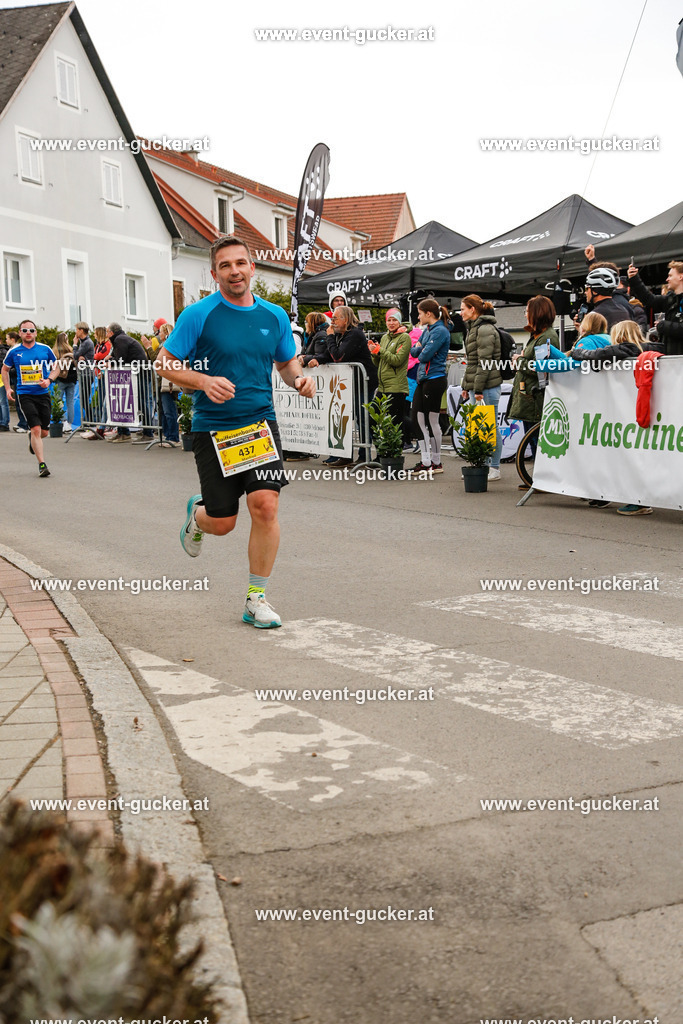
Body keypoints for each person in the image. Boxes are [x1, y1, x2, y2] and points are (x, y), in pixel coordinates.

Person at [155, 234, 316, 629]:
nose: (234, 271)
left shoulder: (274, 316)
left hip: (260, 425)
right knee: (223, 523)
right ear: (214, 273)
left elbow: (285, 363)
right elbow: (163, 364)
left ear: (252, 268)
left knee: (265, 506)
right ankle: (198, 517)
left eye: (240, 263)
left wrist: (300, 380)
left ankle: (255, 598)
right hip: (214, 429)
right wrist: (202, 381)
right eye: (225, 266)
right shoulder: (198, 315)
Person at [571, 321, 664, 516]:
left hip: (632, 412)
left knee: (631, 454)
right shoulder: (657, 348)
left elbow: (597, 356)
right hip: (657, 409)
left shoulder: (625, 348)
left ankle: (639, 501)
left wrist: (575, 353)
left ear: (619, 335)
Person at [1, 320, 60, 477]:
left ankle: (32, 438)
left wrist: (49, 380)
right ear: (20, 333)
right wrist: (8, 388)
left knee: (44, 432)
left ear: (35, 333)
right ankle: (42, 465)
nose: (28, 332)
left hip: (42, 394)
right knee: (35, 428)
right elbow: (4, 369)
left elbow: (56, 367)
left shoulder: (45, 349)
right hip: (24, 394)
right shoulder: (14, 352)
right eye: (25, 330)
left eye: (31, 330)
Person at [508, 296, 559, 475]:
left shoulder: (547, 337)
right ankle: (538, 478)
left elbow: (541, 369)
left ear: (537, 313)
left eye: (527, 311)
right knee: (532, 439)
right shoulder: (538, 336)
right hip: (529, 395)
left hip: (536, 397)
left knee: (537, 440)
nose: (525, 315)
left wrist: (519, 360)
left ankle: (542, 478)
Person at [326, 305, 378, 467]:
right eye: (332, 318)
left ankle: (365, 455)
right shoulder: (341, 334)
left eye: (335, 318)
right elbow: (329, 354)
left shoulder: (354, 334)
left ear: (346, 320)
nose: (332, 321)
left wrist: (329, 337)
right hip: (350, 382)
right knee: (348, 418)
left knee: (363, 418)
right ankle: (346, 455)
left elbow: (338, 356)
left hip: (364, 381)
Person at [459, 295, 503, 480]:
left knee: (490, 426)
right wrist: (466, 386)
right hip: (480, 385)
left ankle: (494, 467)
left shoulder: (484, 329)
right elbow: (472, 363)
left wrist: (476, 390)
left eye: (463, 309)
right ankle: (485, 465)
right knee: (482, 426)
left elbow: (484, 363)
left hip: (487, 386)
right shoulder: (474, 329)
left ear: (472, 309)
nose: (460, 312)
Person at [410, 299, 451, 474]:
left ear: (428, 313)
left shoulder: (440, 330)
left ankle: (433, 462)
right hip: (425, 379)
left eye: (419, 313)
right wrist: (421, 347)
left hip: (434, 379)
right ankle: (429, 462)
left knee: (429, 420)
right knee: (418, 418)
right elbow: (413, 351)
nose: (418, 316)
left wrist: (421, 347)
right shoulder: (428, 330)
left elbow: (423, 356)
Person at [369, 308, 411, 447]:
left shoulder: (405, 337)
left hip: (397, 387)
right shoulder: (385, 337)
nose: (391, 323)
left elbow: (397, 360)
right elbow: (378, 363)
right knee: (372, 417)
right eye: (389, 320)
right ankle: (381, 451)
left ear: (399, 322)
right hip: (383, 386)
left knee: (395, 423)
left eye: (394, 320)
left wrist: (379, 350)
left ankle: (394, 455)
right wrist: (374, 353)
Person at [106, 322, 153, 443]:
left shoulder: (120, 339)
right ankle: (123, 432)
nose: (106, 335)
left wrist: (111, 360)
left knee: (141, 402)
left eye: (107, 332)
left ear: (111, 332)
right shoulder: (120, 339)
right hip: (134, 374)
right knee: (121, 402)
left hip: (139, 374)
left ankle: (148, 433)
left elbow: (120, 359)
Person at [627, 259, 683, 356]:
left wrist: (663, 325)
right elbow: (649, 299)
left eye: (670, 275)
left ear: (681, 276)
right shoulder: (671, 299)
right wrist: (634, 278)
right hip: (672, 360)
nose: (667, 279)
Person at [580, 267, 636, 331]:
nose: (585, 292)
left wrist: (582, 328)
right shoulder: (624, 310)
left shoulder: (595, 315)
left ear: (595, 291)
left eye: (587, 288)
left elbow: (590, 339)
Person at [156, 322, 179, 446]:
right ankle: (168, 435)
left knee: (169, 410)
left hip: (168, 382)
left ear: (166, 333)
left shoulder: (168, 346)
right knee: (165, 411)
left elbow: (157, 360)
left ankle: (173, 437)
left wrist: (149, 347)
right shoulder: (164, 345)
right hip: (162, 381)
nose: (159, 334)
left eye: (161, 331)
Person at [52, 331, 77, 431]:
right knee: (70, 402)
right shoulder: (72, 351)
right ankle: (69, 424)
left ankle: (63, 421)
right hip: (71, 380)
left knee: (58, 401)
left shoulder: (55, 352)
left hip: (60, 379)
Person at [0, 335, 10, 431]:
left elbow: (3, 366)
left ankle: (4, 423)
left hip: (1, 378)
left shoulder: (3, 351)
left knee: (3, 401)